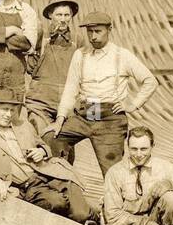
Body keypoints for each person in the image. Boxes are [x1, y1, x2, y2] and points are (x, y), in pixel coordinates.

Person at [0, 89, 93, 224]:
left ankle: (92, 217)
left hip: (50, 174)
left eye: (12, 110)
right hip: (28, 185)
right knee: (57, 203)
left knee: (81, 213)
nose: (9, 114)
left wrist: (42, 152)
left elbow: (43, 145)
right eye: (4, 109)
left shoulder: (24, 126)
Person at [48, 11, 158, 177]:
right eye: (90, 31)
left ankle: (117, 198)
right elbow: (70, 89)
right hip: (86, 115)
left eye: (98, 31)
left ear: (109, 29)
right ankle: (63, 183)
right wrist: (60, 119)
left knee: (113, 172)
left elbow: (150, 81)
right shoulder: (80, 55)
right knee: (51, 138)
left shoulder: (122, 55)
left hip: (110, 119)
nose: (93, 36)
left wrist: (132, 105)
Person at [25, 0, 81, 161]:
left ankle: (65, 182)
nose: (63, 20)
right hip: (40, 102)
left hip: (67, 104)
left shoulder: (78, 40)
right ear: (50, 15)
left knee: (64, 147)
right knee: (42, 140)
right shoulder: (40, 36)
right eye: (59, 15)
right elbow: (30, 68)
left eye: (67, 15)